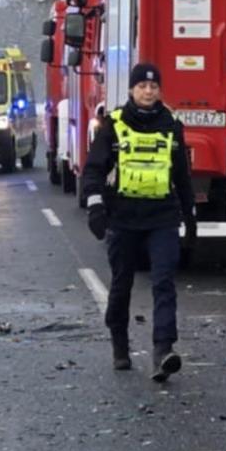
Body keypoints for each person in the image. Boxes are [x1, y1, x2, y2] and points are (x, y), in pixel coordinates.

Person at [83, 63, 196, 379]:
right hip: (124, 218)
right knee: (122, 284)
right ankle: (120, 345)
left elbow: (182, 176)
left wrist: (191, 218)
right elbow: (93, 169)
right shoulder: (114, 125)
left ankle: (163, 351)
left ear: (160, 91)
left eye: (154, 86)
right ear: (132, 90)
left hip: (162, 216)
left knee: (164, 283)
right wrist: (95, 207)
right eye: (142, 86)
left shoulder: (172, 125)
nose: (148, 91)